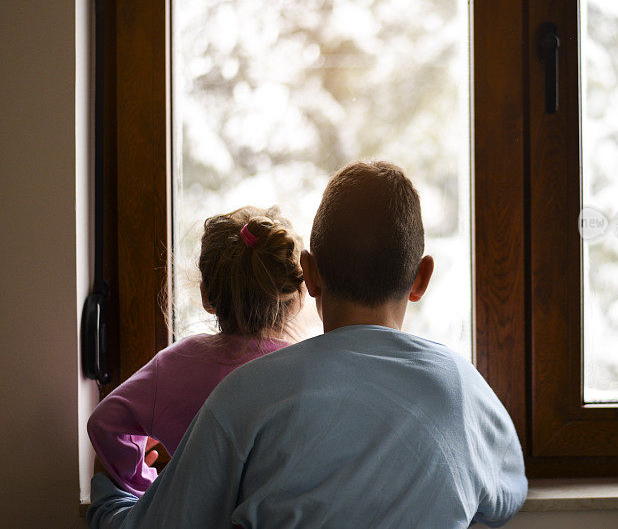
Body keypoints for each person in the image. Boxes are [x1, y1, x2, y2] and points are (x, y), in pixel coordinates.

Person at [88, 161, 527, 528]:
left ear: (310, 275)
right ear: (421, 279)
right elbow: (507, 496)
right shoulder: (462, 387)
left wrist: (110, 497)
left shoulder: (246, 393)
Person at [87, 206, 303, 497]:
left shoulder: (177, 363)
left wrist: (142, 481)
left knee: (105, 501)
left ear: (206, 295)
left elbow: (104, 422)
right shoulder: (304, 371)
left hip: (192, 517)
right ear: (291, 298)